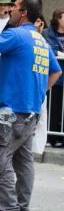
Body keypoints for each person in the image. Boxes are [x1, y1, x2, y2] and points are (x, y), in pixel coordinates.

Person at [0, 0, 61, 211]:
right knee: (23, 163)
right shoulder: (40, 40)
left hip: (12, 113)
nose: (10, 9)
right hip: (30, 112)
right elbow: (56, 71)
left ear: (23, 13)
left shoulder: (16, 34)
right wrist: (38, 92)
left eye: (14, 6)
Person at [42, 8, 64, 146]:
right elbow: (47, 49)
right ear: (58, 19)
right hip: (55, 76)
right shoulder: (47, 33)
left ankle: (62, 137)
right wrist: (59, 53)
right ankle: (51, 136)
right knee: (53, 108)